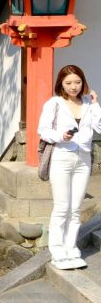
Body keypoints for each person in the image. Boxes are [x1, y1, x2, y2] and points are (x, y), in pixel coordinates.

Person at [39, 64, 101, 270]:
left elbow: (99, 127)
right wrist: (60, 135)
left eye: (77, 82)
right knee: (62, 207)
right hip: (62, 157)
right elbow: (43, 131)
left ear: (82, 82)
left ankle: (71, 247)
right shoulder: (54, 103)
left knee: (75, 208)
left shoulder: (88, 103)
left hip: (83, 158)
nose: (73, 86)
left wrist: (95, 104)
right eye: (68, 83)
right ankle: (57, 250)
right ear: (61, 84)